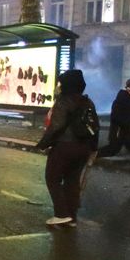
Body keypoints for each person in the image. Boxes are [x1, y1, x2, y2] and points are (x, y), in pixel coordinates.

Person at [34, 69, 99, 228]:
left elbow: (56, 126)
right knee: (72, 180)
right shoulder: (87, 102)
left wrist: (43, 144)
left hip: (64, 146)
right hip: (83, 148)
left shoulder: (63, 101)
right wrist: (93, 148)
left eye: (61, 83)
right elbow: (95, 126)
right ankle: (72, 216)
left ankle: (61, 214)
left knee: (52, 178)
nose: (58, 86)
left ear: (67, 85)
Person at [96, 77, 130, 187]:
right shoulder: (122, 98)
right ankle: (90, 155)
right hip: (120, 131)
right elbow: (115, 117)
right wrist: (128, 126)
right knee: (112, 150)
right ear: (129, 87)